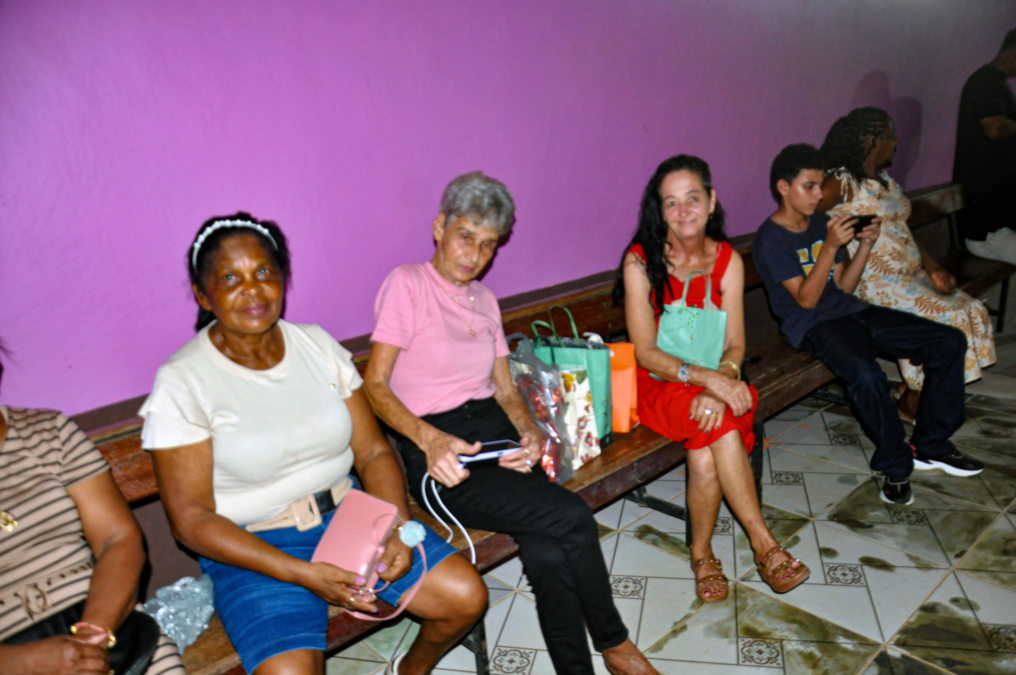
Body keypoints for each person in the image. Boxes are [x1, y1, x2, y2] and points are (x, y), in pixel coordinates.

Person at [139, 215, 486, 675]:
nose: (253, 289)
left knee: (465, 597)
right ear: (204, 295)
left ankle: (412, 670)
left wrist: (395, 525)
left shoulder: (316, 345)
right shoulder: (183, 381)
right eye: (230, 278)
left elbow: (373, 452)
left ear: (282, 279)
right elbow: (191, 521)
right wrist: (301, 574)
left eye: (264, 272)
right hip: (254, 545)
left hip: (350, 515)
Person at [364, 172, 657, 675]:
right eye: (465, 236)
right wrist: (430, 441)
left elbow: (504, 390)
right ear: (439, 227)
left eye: (488, 244)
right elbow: (374, 385)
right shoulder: (407, 284)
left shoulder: (485, 300)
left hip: (497, 438)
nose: (474, 254)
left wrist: (530, 431)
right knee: (572, 517)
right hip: (442, 455)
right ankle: (616, 645)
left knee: (548, 553)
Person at [613, 155, 809, 603]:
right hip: (657, 382)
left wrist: (721, 381)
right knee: (720, 424)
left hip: (715, 378)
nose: (683, 211)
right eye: (671, 202)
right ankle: (765, 545)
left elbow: (736, 344)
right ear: (659, 210)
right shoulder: (640, 261)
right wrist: (709, 382)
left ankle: (702, 555)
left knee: (705, 448)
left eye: (692, 198)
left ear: (711, 200)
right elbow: (644, 351)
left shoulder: (726, 260)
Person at [754, 144, 984, 507]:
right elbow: (807, 301)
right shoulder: (772, 238)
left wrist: (865, 245)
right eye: (809, 186)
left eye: (820, 186)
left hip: (852, 309)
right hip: (814, 325)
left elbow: (844, 286)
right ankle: (896, 465)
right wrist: (829, 246)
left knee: (948, 341)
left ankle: (932, 445)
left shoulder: (821, 223)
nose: (818, 195)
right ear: (783, 187)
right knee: (867, 377)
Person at [0, 344, 184, 675]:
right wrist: (24, 662)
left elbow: (118, 539)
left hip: (104, 621)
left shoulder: (47, 432)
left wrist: (92, 639)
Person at [821, 107, 996, 423]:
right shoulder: (841, 181)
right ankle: (915, 398)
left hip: (910, 274)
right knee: (947, 317)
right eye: (891, 136)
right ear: (873, 141)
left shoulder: (884, 179)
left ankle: (917, 390)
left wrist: (933, 267)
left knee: (968, 307)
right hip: (874, 281)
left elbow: (903, 230)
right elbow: (803, 213)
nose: (896, 143)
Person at [954, 27, 1016, 264]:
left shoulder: (997, 84)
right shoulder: (985, 82)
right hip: (988, 228)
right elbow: (994, 128)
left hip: (999, 217)